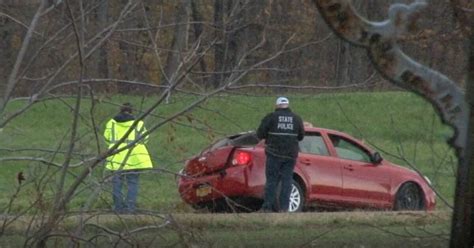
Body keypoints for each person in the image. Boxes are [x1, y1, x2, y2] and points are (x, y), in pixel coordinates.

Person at [257, 96, 305, 212]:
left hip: (274, 153)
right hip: (290, 155)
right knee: (287, 181)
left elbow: (260, 134)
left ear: (277, 106)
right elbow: (301, 136)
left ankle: (267, 207)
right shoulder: (296, 118)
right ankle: (284, 208)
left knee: (272, 181)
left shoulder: (271, 117)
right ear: (288, 105)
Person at [103, 103, 153, 214]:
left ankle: (118, 208)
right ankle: (130, 208)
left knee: (117, 184)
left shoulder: (111, 123)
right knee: (132, 183)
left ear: (120, 110)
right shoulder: (138, 123)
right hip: (134, 157)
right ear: (131, 111)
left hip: (116, 155)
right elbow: (144, 139)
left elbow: (107, 138)